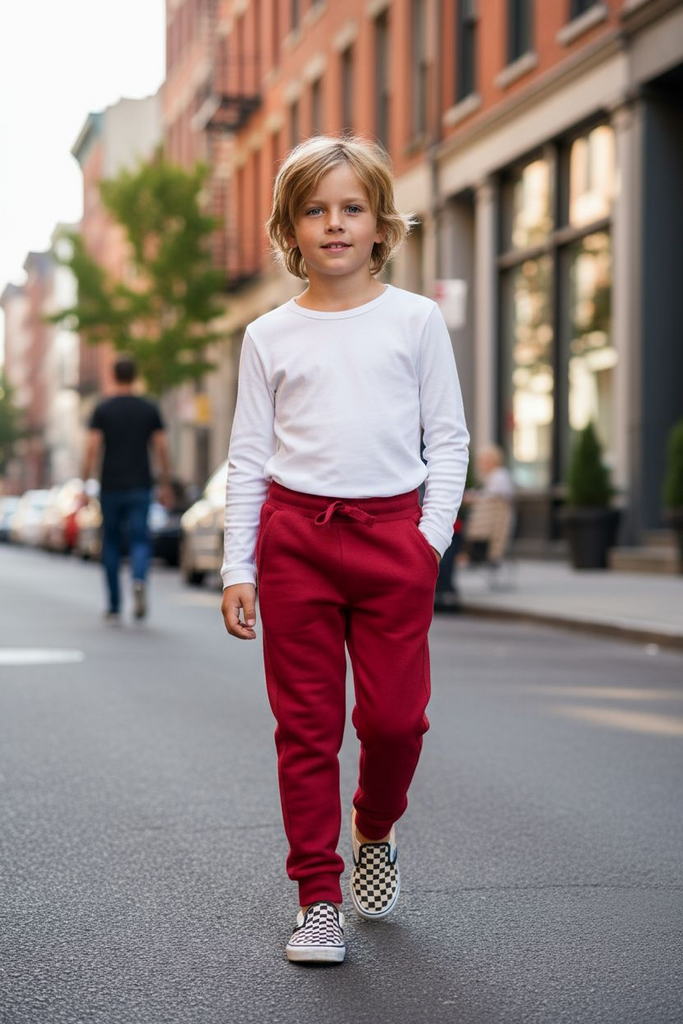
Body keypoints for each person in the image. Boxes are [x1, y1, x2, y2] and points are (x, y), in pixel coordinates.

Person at [220, 135, 469, 964]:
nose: (334, 224)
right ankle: (316, 898)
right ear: (291, 227)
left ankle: (374, 828)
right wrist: (238, 565)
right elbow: (248, 457)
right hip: (294, 541)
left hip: (392, 538)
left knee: (396, 723)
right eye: (315, 209)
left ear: (378, 223)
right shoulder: (268, 335)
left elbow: (451, 440)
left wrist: (426, 542)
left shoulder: (416, 318)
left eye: (351, 208)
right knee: (306, 729)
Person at [82, 357, 172, 624]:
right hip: (140, 485)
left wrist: (85, 481)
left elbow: (92, 448)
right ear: (135, 377)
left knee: (110, 543)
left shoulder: (103, 409)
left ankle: (113, 605)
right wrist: (165, 483)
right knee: (140, 539)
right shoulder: (148, 408)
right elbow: (161, 448)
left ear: (113, 376)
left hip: (110, 486)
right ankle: (139, 579)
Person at [463, 444, 516, 567]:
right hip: (488, 522)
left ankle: (471, 556)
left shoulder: (500, 476)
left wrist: (474, 498)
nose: (479, 464)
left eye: (482, 461)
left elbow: (494, 497)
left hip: (492, 523)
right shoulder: (490, 476)